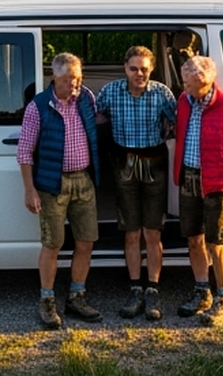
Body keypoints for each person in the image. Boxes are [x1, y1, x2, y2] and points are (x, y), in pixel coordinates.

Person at [18, 52, 102, 329]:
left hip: (83, 180)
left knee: (86, 241)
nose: (74, 85)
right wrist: (29, 190)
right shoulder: (38, 106)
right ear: (55, 77)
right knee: (53, 244)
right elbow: (25, 153)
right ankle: (47, 301)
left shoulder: (86, 99)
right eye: (68, 80)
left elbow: (97, 124)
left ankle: (76, 297)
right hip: (52, 184)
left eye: (78, 78)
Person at [95, 44, 178, 320]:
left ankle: (152, 290)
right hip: (123, 161)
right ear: (125, 68)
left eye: (144, 69)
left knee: (152, 231)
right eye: (134, 68)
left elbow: (176, 121)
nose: (139, 74)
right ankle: (134, 289)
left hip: (154, 160)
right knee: (130, 230)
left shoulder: (163, 93)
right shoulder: (110, 92)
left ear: (151, 69)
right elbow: (96, 116)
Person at [174, 55, 223, 325]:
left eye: (187, 84)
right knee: (193, 239)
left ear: (204, 82)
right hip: (190, 179)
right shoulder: (185, 103)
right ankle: (201, 292)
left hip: (218, 184)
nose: (184, 88)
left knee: (215, 244)